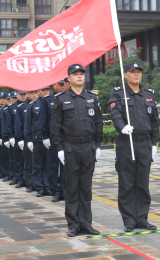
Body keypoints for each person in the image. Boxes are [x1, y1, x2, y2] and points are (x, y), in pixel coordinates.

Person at [50, 64, 103, 237]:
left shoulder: (92, 98)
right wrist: (59, 148)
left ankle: (86, 223)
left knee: (86, 187)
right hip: (71, 147)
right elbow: (55, 127)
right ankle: (73, 223)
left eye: (82, 74)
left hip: (88, 146)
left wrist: (97, 144)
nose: (79, 77)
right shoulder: (61, 99)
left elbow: (98, 123)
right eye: (75, 74)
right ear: (69, 78)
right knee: (72, 187)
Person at [108, 62, 159, 232]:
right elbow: (115, 114)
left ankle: (142, 218)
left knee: (143, 183)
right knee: (127, 183)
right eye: (132, 72)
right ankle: (129, 219)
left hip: (144, 143)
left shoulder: (148, 95)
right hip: (126, 143)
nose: (136, 75)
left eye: (139, 72)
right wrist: (122, 127)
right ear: (126, 75)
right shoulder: (118, 94)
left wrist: (153, 143)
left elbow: (154, 121)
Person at [41, 80, 66, 202]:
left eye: (64, 84)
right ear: (54, 85)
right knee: (52, 166)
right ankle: (55, 191)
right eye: (60, 84)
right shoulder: (47, 100)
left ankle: (65, 191)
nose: (63, 86)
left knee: (66, 167)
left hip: (66, 138)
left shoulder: (68, 97)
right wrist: (44, 136)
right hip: (53, 138)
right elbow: (43, 119)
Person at [26, 87, 51, 197]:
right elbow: (28, 124)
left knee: (48, 165)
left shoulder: (51, 103)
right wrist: (29, 140)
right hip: (37, 139)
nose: (46, 92)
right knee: (37, 165)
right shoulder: (33, 105)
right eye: (43, 91)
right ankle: (39, 187)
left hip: (49, 139)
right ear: (39, 92)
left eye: (47, 90)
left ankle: (47, 186)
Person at [13, 91, 29, 188]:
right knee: (18, 160)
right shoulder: (13, 107)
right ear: (17, 95)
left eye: (24, 94)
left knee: (28, 162)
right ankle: (19, 179)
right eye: (21, 94)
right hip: (18, 137)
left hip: (28, 137)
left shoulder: (29, 105)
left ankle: (28, 180)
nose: (23, 96)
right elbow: (16, 125)